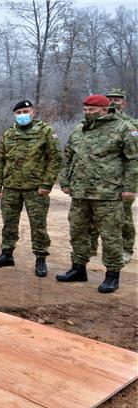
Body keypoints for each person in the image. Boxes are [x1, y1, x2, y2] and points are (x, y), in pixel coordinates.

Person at [56, 94, 137, 293]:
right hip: (81, 192)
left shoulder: (123, 128)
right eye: (85, 109)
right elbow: (68, 157)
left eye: (91, 110)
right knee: (78, 231)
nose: (87, 113)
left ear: (103, 109)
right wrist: (65, 181)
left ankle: (112, 274)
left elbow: (133, 160)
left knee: (111, 235)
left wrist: (129, 188)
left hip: (108, 192)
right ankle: (78, 268)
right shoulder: (79, 129)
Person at [0, 100, 62, 277]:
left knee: (38, 225)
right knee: (9, 224)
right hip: (11, 187)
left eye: (25, 111)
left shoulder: (45, 131)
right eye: (18, 112)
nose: (22, 115)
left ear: (34, 112)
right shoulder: (9, 134)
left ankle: (41, 258)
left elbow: (55, 159)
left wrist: (47, 184)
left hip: (35, 189)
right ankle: (7, 254)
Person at [102, 88, 136, 263]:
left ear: (124, 103)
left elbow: (134, 157)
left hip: (122, 179)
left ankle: (127, 249)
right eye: (110, 99)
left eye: (117, 99)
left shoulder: (131, 125)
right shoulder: (100, 123)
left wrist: (131, 185)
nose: (113, 102)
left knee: (124, 215)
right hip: (102, 180)